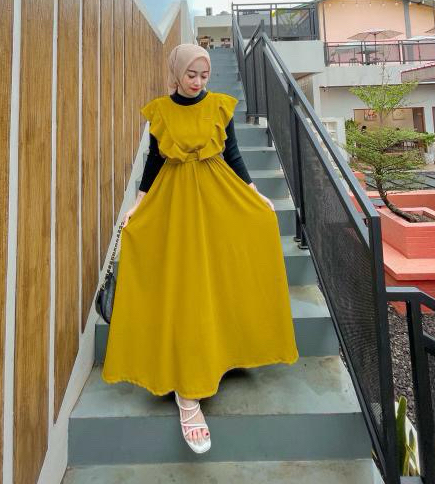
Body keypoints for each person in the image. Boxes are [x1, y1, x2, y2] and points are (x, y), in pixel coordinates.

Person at [101, 43, 299, 454]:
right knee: (184, 284)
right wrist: (138, 205)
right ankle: (185, 384)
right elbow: (153, 162)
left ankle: (220, 353)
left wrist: (254, 193)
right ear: (177, 73)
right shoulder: (160, 111)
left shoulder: (219, 106)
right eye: (191, 75)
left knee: (219, 275)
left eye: (204, 76)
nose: (198, 82)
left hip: (215, 197)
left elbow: (233, 155)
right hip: (173, 203)